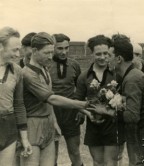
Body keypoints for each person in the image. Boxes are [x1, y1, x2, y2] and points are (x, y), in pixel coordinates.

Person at [90, 37, 144, 166]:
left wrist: (105, 111)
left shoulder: (132, 78)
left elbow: (131, 117)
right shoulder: (130, 75)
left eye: (109, 55)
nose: (106, 58)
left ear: (119, 59)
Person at [21, 32, 93, 166]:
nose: (50, 56)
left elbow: (50, 102)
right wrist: (84, 105)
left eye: (51, 52)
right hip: (33, 123)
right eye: (46, 53)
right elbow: (52, 99)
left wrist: (53, 121)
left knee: (65, 156)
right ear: (35, 51)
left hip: (49, 120)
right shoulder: (27, 74)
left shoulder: (44, 69)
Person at [75, 35, 125, 166]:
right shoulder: (84, 77)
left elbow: (125, 100)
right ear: (92, 54)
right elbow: (77, 102)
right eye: (98, 54)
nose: (102, 57)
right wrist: (89, 114)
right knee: (97, 162)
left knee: (111, 162)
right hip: (94, 125)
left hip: (113, 125)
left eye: (106, 53)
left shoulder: (117, 74)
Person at [49, 33, 84, 166]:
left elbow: (80, 90)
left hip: (71, 113)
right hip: (52, 113)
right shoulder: (46, 65)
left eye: (66, 48)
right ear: (52, 48)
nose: (64, 52)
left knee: (75, 152)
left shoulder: (74, 64)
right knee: (53, 155)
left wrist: (80, 110)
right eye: (60, 48)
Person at [0, 27, 32, 165]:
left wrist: (24, 139)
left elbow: (19, 105)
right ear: (0, 47)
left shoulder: (17, 70)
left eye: (19, 49)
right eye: (15, 50)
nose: (18, 54)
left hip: (8, 126)